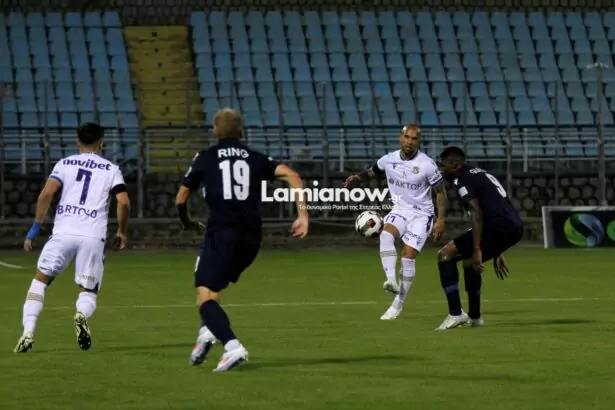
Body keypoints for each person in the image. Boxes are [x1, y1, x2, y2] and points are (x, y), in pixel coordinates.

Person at [175, 108, 309, 372]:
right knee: (213, 287)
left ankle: (232, 347)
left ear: (215, 131)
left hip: (222, 233)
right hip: (251, 238)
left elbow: (180, 199)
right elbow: (293, 176)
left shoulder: (205, 157)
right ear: (241, 132)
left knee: (204, 294)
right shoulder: (255, 157)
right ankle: (207, 333)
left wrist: (187, 222)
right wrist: (303, 216)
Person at [14, 123, 130, 352]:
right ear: (101, 143)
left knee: (40, 280)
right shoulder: (111, 169)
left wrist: (35, 228)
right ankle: (81, 315)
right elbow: (123, 201)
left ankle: (28, 332)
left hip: (63, 233)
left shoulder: (64, 164)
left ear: (77, 142)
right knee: (88, 290)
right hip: (93, 235)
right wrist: (121, 230)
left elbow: (46, 193)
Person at [344, 125, 447, 320]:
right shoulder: (389, 159)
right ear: (401, 138)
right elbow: (372, 171)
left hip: (421, 215)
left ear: (419, 142)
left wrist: (440, 219)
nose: (409, 142)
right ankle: (391, 280)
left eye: (414, 139)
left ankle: (397, 304)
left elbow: (441, 192)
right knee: (385, 234)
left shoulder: (427, 165)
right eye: (407, 137)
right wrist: (357, 177)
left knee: (408, 256)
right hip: (399, 210)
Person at [435, 146, 523, 330]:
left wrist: (477, 250)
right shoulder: (480, 173)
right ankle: (474, 317)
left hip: (497, 227)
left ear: (454, 164)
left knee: (445, 255)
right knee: (469, 263)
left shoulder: (462, 180)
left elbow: (477, 213)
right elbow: (496, 206)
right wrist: (497, 249)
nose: (440, 170)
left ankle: (455, 314)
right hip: (513, 226)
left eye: (442, 166)